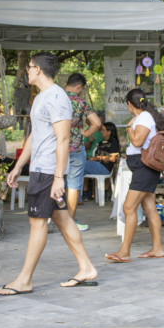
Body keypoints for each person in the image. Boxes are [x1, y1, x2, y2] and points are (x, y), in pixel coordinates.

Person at [0, 52, 97, 294]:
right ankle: (86, 268)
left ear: (38, 69)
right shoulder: (42, 97)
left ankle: (24, 280)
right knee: (62, 219)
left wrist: (58, 177)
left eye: (29, 67)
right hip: (40, 168)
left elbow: (63, 139)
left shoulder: (58, 98)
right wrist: (19, 165)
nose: (27, 71)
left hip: (49, 171)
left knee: (37, 223)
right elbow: (36, 135)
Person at [105, 88, 164, 262]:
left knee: (128, 207)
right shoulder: (145, 117)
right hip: (143, 168)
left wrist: (129, 128)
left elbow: (138, 141)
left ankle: (124, 252)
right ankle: (158, 249)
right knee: (149, 208)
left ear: (130, 105)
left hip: (144, 169)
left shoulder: (144, 117)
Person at [65, 73, 102, 231]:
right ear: (79, 87)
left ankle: (50, 219)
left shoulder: (55, 98)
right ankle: (69, 222)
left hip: (55, 148)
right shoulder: (81, 102)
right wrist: (86, 134)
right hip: (75, 148)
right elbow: (97, 123)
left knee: (54, 182)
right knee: (73, 185)